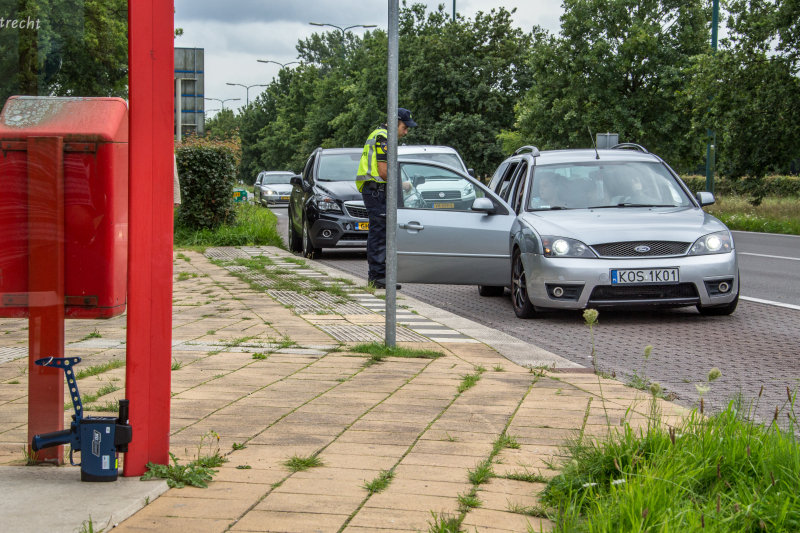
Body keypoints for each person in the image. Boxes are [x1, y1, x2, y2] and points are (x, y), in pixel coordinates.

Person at [356, 108, 417, 289]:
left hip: (375, 190)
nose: (406, 132)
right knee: (379, 234)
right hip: (376, 191)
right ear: (394, 122)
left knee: (379, 233)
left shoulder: (379, 134)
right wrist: (400, 185)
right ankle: (377, 277)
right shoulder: (383, 137)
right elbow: (383, 172)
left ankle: (378, 276)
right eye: (404, 127)